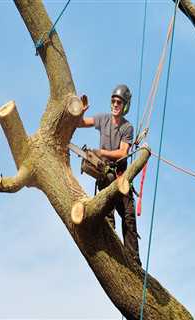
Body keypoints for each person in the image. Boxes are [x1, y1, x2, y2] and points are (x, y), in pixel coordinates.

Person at [79, 84, 141, 266]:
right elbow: (80, 123)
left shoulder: (127, 127)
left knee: (129, 219)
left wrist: (102, 152)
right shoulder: (103, 119)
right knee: (107, 217)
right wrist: (81, 113)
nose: (115, 104)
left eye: (119, 102)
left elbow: (123, 152)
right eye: (113, 101)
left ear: (125, 106)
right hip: (105, 177)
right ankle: (111, 254)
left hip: (121, 177)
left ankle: (134, 261)